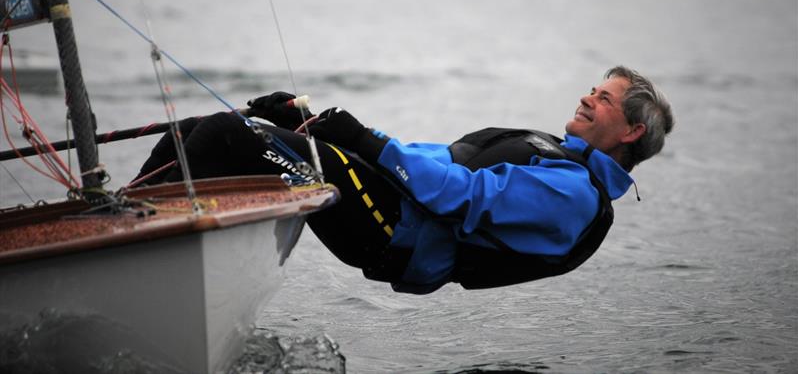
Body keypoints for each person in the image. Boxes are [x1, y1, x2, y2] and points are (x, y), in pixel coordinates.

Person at [134, 65, 673, 294]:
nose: (587, 97)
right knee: (200, 131)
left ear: (631, 131)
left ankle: (124, 239)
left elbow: (460, 196)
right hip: (389, 202)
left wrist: (363, 140)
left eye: (604, 99)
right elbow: (429, 159)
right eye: (594, 89)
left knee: (226, 135)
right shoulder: (555, 157)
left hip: (394, 230)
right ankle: (127, 227)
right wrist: (309, 124)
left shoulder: (574, 195)